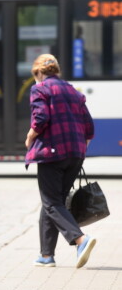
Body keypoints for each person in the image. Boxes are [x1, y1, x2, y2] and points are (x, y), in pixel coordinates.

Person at [25, 54, 96, 269]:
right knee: (53, 201)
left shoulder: (40, 89)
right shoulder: (73, 91)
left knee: (51, 202)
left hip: (52, 153)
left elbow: (41, 118)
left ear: (38, 73)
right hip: (75, 153)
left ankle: (80, 240)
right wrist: (80, 147)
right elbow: (89, 126)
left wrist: (29, 137)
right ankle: (46, 255)